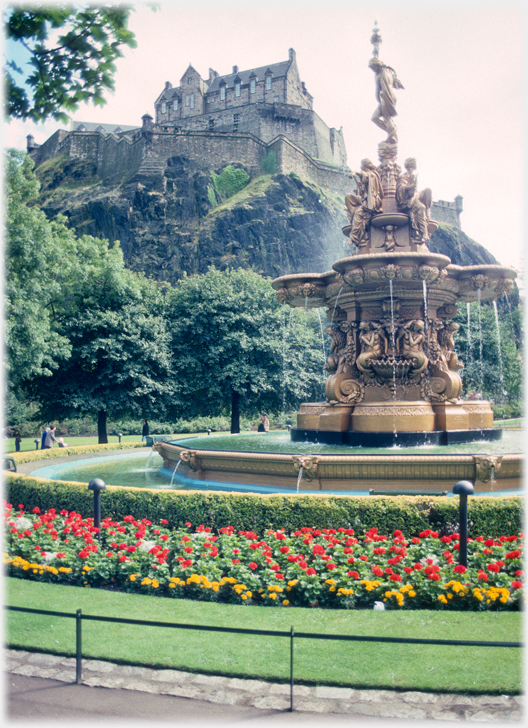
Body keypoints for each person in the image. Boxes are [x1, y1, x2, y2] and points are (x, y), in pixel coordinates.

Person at [346, 159, 383, 248]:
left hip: (372, 201)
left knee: (358, 214)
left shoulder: (373, 175)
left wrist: (356, 172)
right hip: (364, 199)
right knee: (348, 197)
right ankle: (352, 215)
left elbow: (367, 176)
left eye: (361, 165)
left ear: (365, 165)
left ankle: (354, 237)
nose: (360, 167)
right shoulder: (367, 176)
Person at [369, 56, 404, 143]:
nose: (373, 70)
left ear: (377, 65)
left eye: (374, 67)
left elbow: (377, 91)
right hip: (390, 96)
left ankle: (393, 135)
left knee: (387, 118)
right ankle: (391, 133)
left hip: (386, 96)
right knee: (374, 118)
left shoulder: (381, 74)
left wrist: (378, 99)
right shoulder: (388, 72)